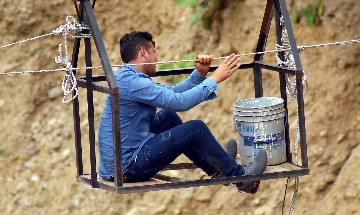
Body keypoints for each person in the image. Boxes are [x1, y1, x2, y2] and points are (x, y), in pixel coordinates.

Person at [97, 31, 267, 194]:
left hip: (120, 164)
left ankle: (216, 170)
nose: (156, 58)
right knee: (196, 129)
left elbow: (173, 93)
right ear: (143, 52)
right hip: (127, 169)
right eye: (154, 52)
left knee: (167, 117)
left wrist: (199, 73)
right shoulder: (134, 82)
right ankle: (242, 178)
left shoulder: (128, 77)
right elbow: (180, 102)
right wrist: (215, 79)